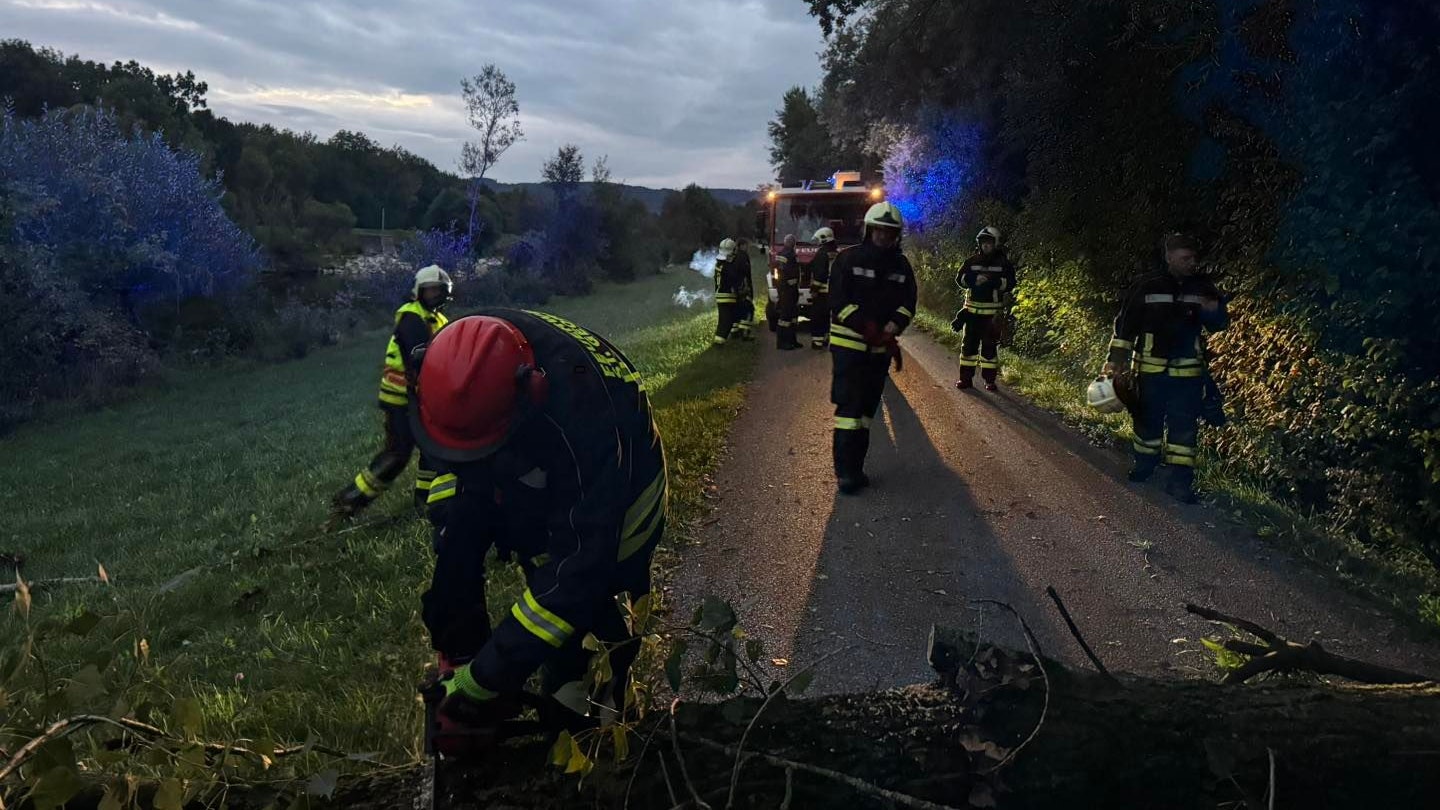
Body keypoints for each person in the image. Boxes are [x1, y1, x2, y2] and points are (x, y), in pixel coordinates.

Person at [413, 311, 667, 737]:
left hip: (623, 508)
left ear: (530, 396)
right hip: (534, 464)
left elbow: (578, 572)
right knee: (460, 543)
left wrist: (486, 678)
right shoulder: (456, 368)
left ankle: (603, 723)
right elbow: (445, 458)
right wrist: (457, 643)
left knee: (583, 642)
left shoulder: (585, 415)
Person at [1103, 233, 1229, 504]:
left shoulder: (1203, 287)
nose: (1191, 263)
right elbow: (1125, 326)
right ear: (1169, 257)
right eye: (1185, 258)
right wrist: (1115, 361)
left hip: (1187, 375)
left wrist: (1214, 310)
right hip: (1150, 372)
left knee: (1183, 431)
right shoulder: (1147, 286)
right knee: (1147, 423)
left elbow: (1219, 324)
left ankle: (1180, 483)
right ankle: (1144, 466)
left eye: (1193, 258)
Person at [330, 265, 452, 521]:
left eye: (438, 290)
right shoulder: (411, 317)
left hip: (423, 399)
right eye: (429, 290)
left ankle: (425, 501)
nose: (435, 295)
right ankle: (350, 499)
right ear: (419, 292)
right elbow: (419, 356)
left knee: (433, 450)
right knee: (397, 454)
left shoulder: (440, 320)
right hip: (400, 399)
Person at [827, 202, 916, 495]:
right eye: (879, 230)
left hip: (878, 353)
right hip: (849, 348)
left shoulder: (901, 267)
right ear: (869, 230)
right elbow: (838, 301)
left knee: (866, 411)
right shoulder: (848, 259)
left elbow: (908, 303)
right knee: (850, 410)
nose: (883, 236)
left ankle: (856, 469)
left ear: (896, 235)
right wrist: (865, 326)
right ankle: (846, 474)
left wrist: (892, 328)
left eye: (889, 232)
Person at [954, 227, 1017, 392]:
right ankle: (965, 379)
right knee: (968, 348)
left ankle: (989, 380)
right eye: (983, 243)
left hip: (992, 315)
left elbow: (1010, 283)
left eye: (989, 243)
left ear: (995, 244)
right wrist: (974, 279)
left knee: (989, 350)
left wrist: (994, 282)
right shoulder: (972, 261)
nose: (986, 246)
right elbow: (960, 279)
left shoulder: (1003, 263)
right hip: (972, 313)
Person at [808, 227, 838, 349]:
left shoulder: (821, 254)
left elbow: (819, 275)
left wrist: (814, 289)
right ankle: (826, 338)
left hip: (821, 293)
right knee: (827, 317)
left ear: (823, 239)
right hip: (833, 292)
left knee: (817, 317)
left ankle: (817, 342)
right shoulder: (835, 253)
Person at [774, 234, 803, 350]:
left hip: (784, 289)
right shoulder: (791, 255)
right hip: (789, 290)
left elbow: (779, 272)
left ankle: (792, 340)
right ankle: (782, 343)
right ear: (793, 244)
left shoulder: (780, 254)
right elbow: (792, 273)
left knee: (792, 317)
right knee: (785, 317)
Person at [713, 238, 742, 344]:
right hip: (728, 295)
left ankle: (723, 339)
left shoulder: (718, 265)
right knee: (726, 320)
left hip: (720, 295)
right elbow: (734, 279)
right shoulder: (728, 266)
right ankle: (719, 342)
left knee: (726, 318)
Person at [733, 238, 756, 340]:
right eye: (746, 245)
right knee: (749, 310)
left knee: (737, 311)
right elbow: (746, 275)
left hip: (735, 289)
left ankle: (735, 333)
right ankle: (745, 333)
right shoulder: (743, 257)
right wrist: (748, 290)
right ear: (742, 245)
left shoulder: (734, 256)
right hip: (743, 289)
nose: (747, 247)